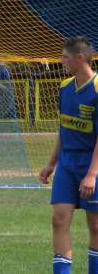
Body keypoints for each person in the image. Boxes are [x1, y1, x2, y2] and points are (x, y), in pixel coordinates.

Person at [39, 36, 98, 274]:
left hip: (91, 162)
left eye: (64, 57)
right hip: (66, 162)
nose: (61, 61)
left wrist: (92, 175)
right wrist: (51, 163)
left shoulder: (96, 89)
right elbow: (65, 128)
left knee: (95, 224)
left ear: (79, 58)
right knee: (59, 220)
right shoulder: (64, 87)